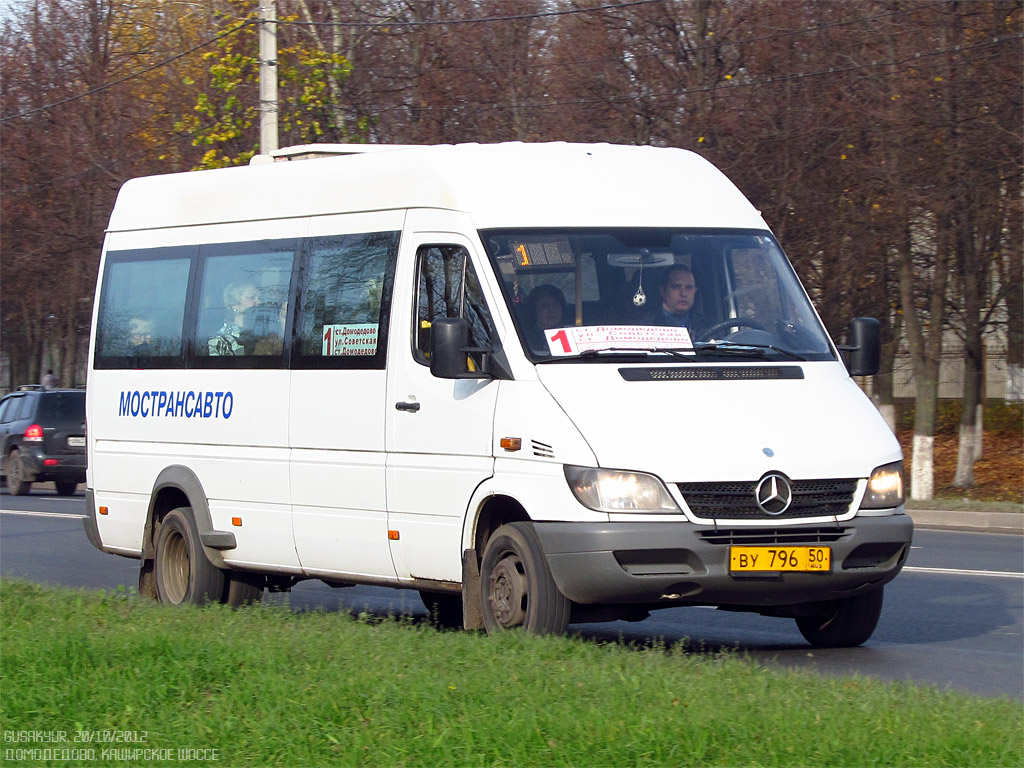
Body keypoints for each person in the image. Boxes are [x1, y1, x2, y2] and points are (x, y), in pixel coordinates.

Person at [640, 265, 705, 332]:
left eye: (689, 288)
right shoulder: (643, 326)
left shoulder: (708, 326)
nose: (683, 294)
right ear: (663, 291)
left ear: (695, 291)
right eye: (677, 287)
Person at [209, 282, 259, 356]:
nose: (258, 302)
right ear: (234, 304)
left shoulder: (263, 333)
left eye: (259, 298)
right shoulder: (221, 340)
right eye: (251, 297)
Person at [522, 284, 568, 351]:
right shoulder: (525, 338)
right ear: (534, 309)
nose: (552, 310)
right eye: (545, 305)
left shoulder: (571, 333)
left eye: (556, 304)